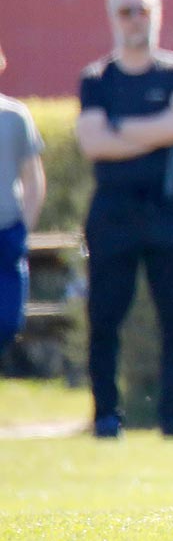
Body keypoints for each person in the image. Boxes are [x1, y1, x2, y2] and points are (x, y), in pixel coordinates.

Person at [74, 0, 173, 440]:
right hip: (113, 212)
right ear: (113, 18)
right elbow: (92, 141)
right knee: (106, 317)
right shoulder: (97, 79)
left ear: (158, 14)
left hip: (168, 211)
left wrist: (121, 130)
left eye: (143, 10)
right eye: (126, 11)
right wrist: (155, 131)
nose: (135, 19)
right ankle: (107, 416)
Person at [1, 45, 48, 354]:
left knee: (6, 322)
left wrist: (24, 229)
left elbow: (33, 179)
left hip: (7, 233)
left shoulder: (15, 117)